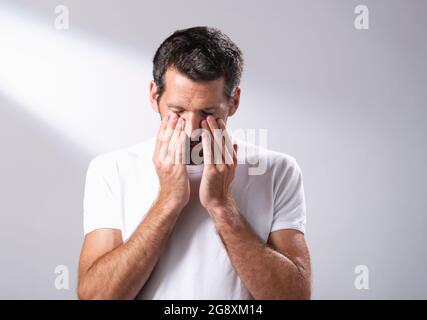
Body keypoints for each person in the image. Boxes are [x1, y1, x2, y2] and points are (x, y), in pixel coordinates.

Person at [77, 26, 311, 300]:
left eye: (208, 113)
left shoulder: (277, 171)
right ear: (154, 96)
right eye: (177, 111)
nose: (191, 130)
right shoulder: (111, 170)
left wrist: (222, 205)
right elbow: (95, 297)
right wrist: (168, 201)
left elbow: (294, 297)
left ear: (233, 102)